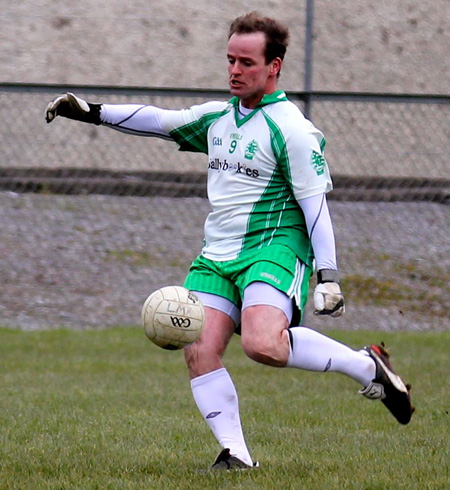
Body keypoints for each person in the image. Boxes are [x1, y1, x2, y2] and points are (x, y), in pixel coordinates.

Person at [45, 11, 413, 470]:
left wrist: (329, 276)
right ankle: (236, 455)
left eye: (247, 62)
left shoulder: (292, 131)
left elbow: (317, 207)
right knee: (198, 346)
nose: (235, 71)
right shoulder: (218, 118)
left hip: (275, 248)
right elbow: (161, 120)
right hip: (217, 255)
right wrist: (92, 113)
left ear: (274, 66)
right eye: (230, 60)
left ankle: (364, 366)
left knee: (263, 345)